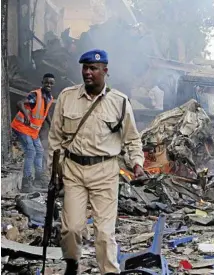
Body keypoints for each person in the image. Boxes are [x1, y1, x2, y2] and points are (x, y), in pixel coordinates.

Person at [47, 49, 145, 275]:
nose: (88, 73)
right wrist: (55, 174)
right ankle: (72, 262)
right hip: (73, 171)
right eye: (85, 68)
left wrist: (137, 163)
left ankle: (109, 272)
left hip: (105, 171)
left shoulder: (119, 102)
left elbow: (132, 139)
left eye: (93, 68)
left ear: (105, 71)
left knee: (104, 233)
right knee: (71, 229)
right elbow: (55, 139)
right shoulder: (67, 97)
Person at [11, 73, 55, 193]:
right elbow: (20, 103)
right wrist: (26, 115)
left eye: (51, 83)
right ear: (42, 82)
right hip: (21, 127)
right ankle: (26, 183)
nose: (49, 85)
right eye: (46, 82)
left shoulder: (50, 98)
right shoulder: (36, 95)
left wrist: (51, 125)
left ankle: (38, 180)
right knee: (31, 151)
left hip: (32, 131)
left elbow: (46, 114)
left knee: (40, 151)